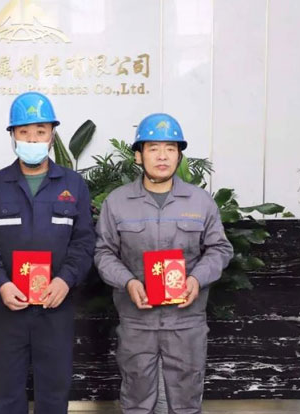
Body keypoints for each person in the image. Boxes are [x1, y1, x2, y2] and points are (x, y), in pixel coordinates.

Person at [94, 113, 233, 414]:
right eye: (153, 148)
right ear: (138, 155)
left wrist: (196, 279)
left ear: (179, 155)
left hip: (186, 321)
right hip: (136, 321)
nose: (162, 156)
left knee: (186, 403)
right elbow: (103, 253)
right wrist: (129, 282)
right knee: (136, 402)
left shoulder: (200, 201)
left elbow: (220, 249)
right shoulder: (117, 202)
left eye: (170, 148)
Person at [0, 92, 96, 414]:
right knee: (6, 390)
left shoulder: (73, 185)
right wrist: (2, 283)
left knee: (54, 390)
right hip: (7, 306)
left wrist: (65, 280)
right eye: (24, 132)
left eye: (40, 131)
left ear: (52, 136)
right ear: (12, 136)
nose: (32, 139)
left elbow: (83, 242)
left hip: (56, 305)